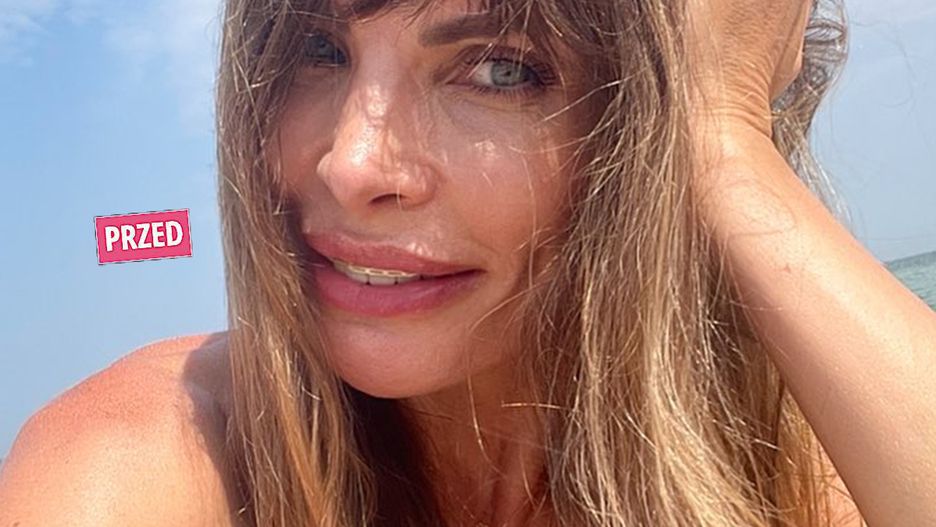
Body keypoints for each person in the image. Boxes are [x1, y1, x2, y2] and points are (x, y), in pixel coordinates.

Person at [2, 0, 934, 525]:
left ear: (638, 133)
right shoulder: (148, 460)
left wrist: (721, 143)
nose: (351, 163)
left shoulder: (791, 468)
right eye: (320, 51)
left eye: (500, 68)